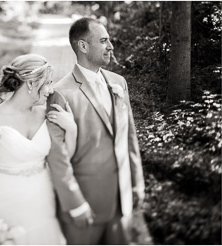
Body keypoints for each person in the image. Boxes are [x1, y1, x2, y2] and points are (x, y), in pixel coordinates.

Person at [46, 17, 145, 244]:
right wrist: (75, 204)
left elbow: (129, 137)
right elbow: (57, 156)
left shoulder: (119, 82)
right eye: (103, 40)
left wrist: (136, 184)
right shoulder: (61, 93)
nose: (111, 46)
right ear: (83, 46)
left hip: (122, 203)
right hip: (86, 205)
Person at [0, 54, 72, 244]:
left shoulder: (46, 114)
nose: (50, 90)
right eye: (47, 83)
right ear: (31, 83)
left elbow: (67, 155)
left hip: (43, 200)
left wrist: (71, 126)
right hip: (4, 203)